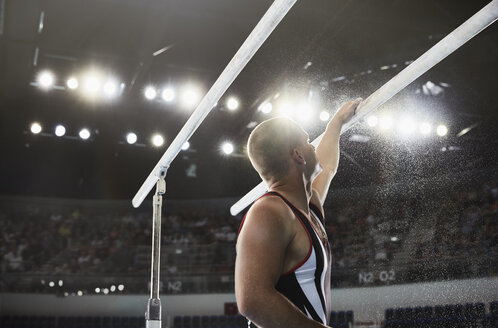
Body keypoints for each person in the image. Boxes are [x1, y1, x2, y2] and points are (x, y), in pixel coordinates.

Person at [235, 98, 362, 328]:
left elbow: (328, 166)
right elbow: (252, 300)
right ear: (298, 155)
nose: (314, 145)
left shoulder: (309, 205)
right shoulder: (268, 211)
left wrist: (336, 124)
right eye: (307, 141)